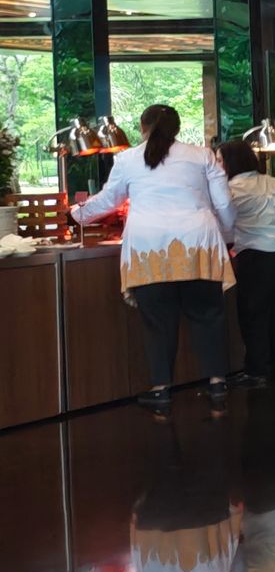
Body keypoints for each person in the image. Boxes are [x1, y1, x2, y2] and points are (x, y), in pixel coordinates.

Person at [72, 104, 238, 413]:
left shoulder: (127, 159)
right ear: (177, 128)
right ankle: (217, 383)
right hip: (198, 244)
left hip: (148, 247)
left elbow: (109, 200)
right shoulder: (202, 155)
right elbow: (224, 202)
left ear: (142, 127)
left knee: (158, 322)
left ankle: (161, 389)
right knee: (208, 316)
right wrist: (227, 232)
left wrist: (76, 215)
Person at [219, 139, 275, 387]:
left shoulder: (230, 190)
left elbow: (224, 226)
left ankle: (256, 370)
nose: (218, 166)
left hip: (256, 253)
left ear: (230, 162)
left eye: (220, 160)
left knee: (253, 311)